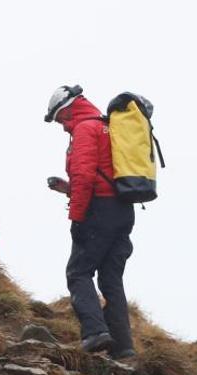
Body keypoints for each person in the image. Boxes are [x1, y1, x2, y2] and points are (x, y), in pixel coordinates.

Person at [44, 85, 135, 359]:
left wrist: (77, 219)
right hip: (123, 210)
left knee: (78, 272)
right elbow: (99, 175)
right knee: (111, 279)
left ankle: (95, 333)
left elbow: (85, 178)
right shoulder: (108, 127)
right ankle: (123, 347)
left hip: (98, 212)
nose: (62, 127)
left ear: (69, 108)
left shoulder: (85, 129)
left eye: (61, 119)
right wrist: (67, 188)